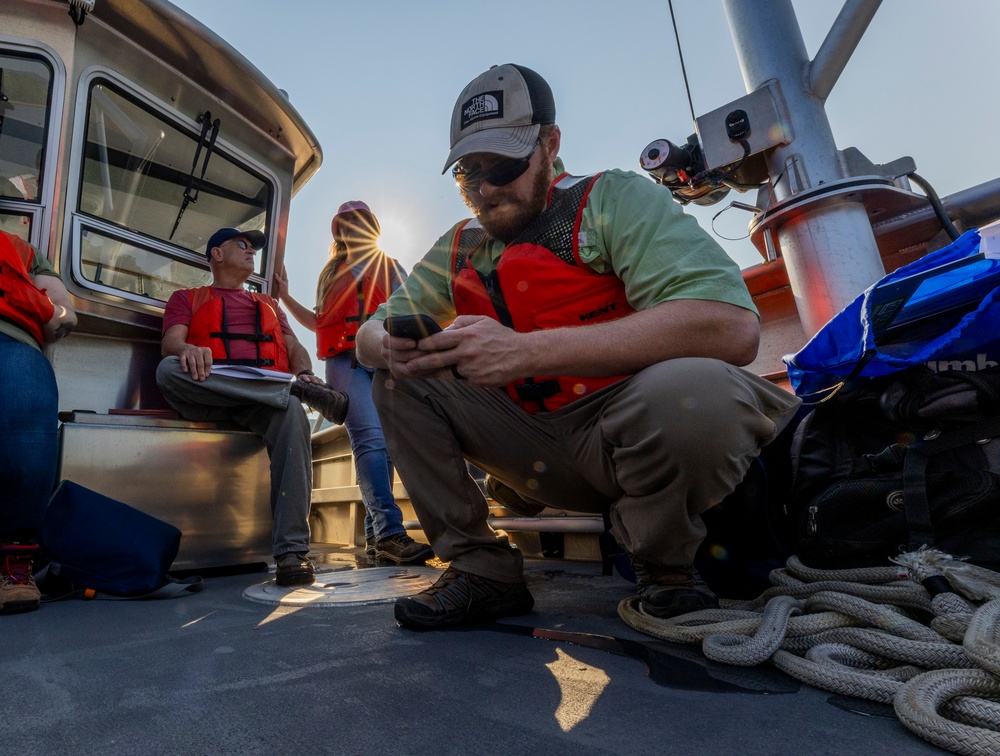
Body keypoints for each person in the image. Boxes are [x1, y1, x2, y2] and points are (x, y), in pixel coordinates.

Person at [355, 64, 801, 630]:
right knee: (396, 378)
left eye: (505, 165)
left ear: (550, 144)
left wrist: (526, 351)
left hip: (631, 439)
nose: (488, 189)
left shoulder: (613, 199)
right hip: (535, 449)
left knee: (701, 392)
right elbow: (372, 330)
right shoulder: (456, 247)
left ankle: (666, 568)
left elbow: (731, 328)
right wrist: (386, 346)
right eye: (470, 174)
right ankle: (480, 566)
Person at [156, 227, 351, 587]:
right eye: (241, 245)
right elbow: (171, 344)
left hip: (260, 404)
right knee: (167, 370)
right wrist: (189, 351)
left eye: (252, 247)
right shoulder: (187, 297)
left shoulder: (270, 305)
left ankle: (292, 552)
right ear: (216, 254)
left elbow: (294, 348)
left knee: (293, 414)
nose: (250, 251)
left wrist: (305, 372)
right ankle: (290, 392)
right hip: (208, 392)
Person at [276, 201, 433, 565]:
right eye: (345, 225)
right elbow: (320, 323)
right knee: (371, 440)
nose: (351, 229)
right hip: (344, 364)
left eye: (359, 222)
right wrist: (284, 297)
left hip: (383, 362)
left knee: (388, 446)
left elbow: (412, 307)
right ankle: (392, 533)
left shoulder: (391, 267)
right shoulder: (331, 275)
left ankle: (376, 538)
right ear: (339, 233)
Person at [1, 229, 77, 614]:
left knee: (27, 392)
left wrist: (50, 313)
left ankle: (13, 563)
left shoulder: (23, 251)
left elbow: (65, 313)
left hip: (11, 337)